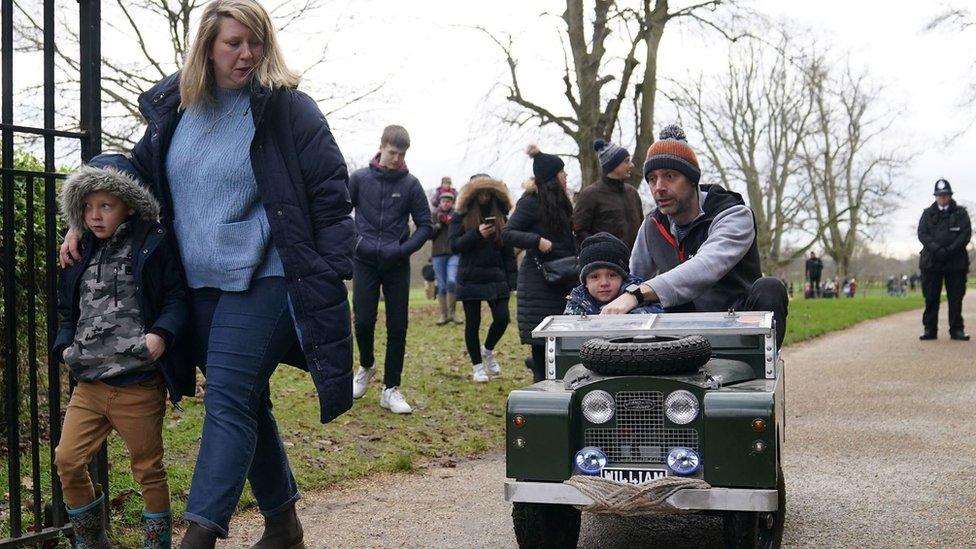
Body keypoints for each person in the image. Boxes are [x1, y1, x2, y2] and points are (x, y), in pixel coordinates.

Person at [59, 2, 355, 545]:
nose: (246, 54)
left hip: (267, 278)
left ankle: (198, 536)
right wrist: (82, 216)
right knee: (244, 398)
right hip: (199, 284)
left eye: (255, 42)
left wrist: (329, 272)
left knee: (227, 399)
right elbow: (132, 179)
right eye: (233, 43)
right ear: (206, 48)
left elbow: (330, 196)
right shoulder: (177, 109)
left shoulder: (289, 111)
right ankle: (284, 524)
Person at [53, 165, 188, 548]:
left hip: (137, 384)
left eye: (106, 205)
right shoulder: (78, 252)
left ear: (128, 206)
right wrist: (65, 347)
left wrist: (160, 335)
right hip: (90, 385)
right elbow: (67, 310)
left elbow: (177, 298)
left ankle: (156, 543)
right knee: (67, 459)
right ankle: (92, 540)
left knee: (147, 469)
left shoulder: (153, 245)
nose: (95, 215)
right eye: (89, 206)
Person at [601, 125, 789, 348]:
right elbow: (635, 278)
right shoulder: (652, 225)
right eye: (652, 179)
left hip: (736, 323)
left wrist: (637, 294)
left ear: (692, 180)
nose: (658, 188)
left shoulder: (734, 215)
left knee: (770, 288)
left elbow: (706, 265)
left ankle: (760, 365)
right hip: (680, 333)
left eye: (669, 176)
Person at [349, 125, 433, 413]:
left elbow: (426, 225)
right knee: (362, 320)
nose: (397, 159)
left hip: (397, 263)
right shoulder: (359, 178)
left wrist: (403, 249)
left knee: (398, 325)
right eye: (392, 152)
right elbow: (340, 213)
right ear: (381, 147)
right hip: (364, 261)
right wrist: (356, 242)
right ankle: (367, 365)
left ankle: (391, 388)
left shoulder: (411, 185)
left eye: (402, 154)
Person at [502, 146, 578, 382]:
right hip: (539, 283)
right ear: (552, 177)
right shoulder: (530, 203)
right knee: (541, 343)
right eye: (562, 172)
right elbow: (508, 233)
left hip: (563, 280)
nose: (565, 176)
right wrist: (537, 240)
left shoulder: (563, 203)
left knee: (560, 345)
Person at [449, 175, 517, 382]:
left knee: (502, 317)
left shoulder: (501, 214)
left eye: (489, 191)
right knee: (473, 322)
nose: (485, 195)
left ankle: (487, 350)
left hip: (496, 275)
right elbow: (455, 245)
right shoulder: (460, 214)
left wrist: (512, 281)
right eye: (481, 191)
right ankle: (477, 366)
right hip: (470, 276)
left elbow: (508, 251)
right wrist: (476, 234)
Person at [917, 178, 971, 341]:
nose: (942, 198)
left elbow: (965, 234)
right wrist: (937, 249)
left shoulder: (961, 213)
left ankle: (956, 329)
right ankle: (929, 329)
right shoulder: (927, 213)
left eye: (945, 195)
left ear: (950, 195)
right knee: (931, 297)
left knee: (955, 297)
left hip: (955, 261)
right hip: (932, 261)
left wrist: (949, 250)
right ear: (935, 196)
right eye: (939, 195)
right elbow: (922, 234)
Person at [565, 233, 663, 315]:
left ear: (623, 277)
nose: (604, 283)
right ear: (585, 282)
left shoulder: (639, 293)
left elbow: (658, 313)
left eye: (612, 275)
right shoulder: (577, 301)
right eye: (594, 277)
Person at [572, 139, 644, 249]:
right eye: (626, 161)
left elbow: (642, 227)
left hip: (637, 262)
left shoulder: (632, 193)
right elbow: (579, 231)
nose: (632, 165)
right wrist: (601, 250)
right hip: (607, 263)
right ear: (613, 165)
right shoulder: (590, 195)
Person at [430, 191, 462, 324]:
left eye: (448, 201)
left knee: (452, 281)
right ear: (440, 202)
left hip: (454, 252)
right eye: (443, 201)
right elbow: (428, 235)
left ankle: (453, 313)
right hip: (438, 254)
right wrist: (438, 225)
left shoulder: (457, 215)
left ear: (452, 203)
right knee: (442, 285)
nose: (445, 203)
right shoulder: (433, 215)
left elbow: (462, 231)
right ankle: (444, 315)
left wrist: (450, 223)